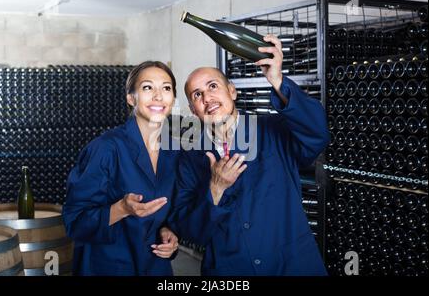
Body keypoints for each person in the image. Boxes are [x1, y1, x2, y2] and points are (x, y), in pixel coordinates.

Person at [169, 34, 330, 276]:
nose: (207, 98)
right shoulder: (190, 157)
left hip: (292, 265)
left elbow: (318, 134)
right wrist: (215, 189)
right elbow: (190, 230)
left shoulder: (273, 130)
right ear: (193, 110)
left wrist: (277, 80)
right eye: (197, 95)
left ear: (232, 91)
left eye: (213, 86)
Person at [63, 61, 180, 276]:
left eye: (166, 88)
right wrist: (121, 209)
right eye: (147, 87)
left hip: (155, 268)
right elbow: (75, 223)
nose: (158, 96)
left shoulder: (175, 151)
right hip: (108, 267)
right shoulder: (105, 148)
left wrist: (169, 231)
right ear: (130, 98)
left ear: (173, 98)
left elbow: (170, 211)